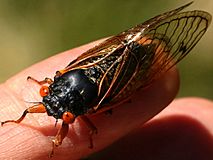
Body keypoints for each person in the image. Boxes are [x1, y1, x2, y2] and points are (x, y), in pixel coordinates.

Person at [0, 39, 213, 160]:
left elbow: (92, 127)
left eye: (66, 115)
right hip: (109, 62)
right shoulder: (61, 83)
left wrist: (58, 145)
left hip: (122, 76)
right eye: (44, 90)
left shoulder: (90, 107)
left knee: (128, 93)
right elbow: (30, 109)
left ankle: (147, 49)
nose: (50, 107)